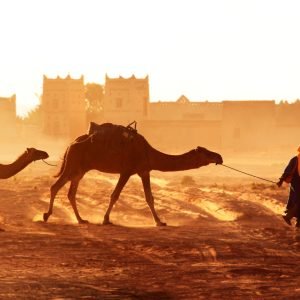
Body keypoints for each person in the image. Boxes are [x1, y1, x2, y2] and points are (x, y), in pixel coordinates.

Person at [277, 146, 300, 227]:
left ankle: (298, 224)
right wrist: (281, 180)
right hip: (296, 183)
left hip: (296, 183)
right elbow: (287, 170)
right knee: (298, 202)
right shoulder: (295, 159)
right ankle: (288, 217)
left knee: (297, 202)